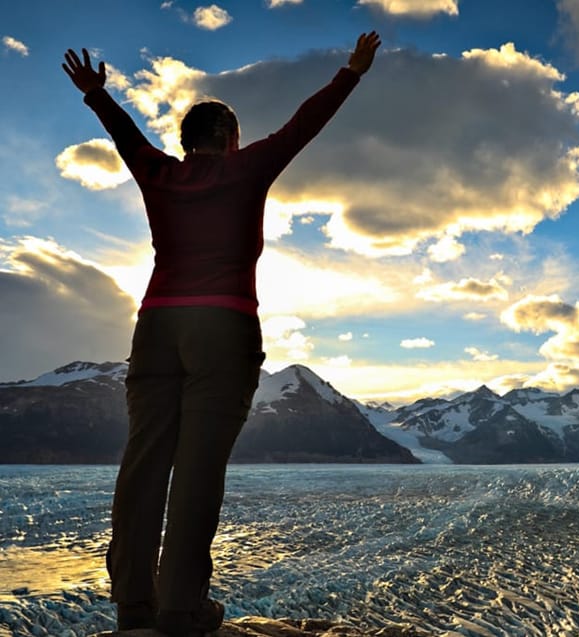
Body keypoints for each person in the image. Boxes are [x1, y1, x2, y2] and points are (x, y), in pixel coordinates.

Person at [62, 31, 381, 637]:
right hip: (223, 329)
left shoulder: (159, 173)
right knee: (198, 469)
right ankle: (181, 610)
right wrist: (351, 72)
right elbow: (300, 127)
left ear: (185, 143)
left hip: (156, 327)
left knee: (143, 463)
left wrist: (97, 96)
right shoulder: (245, 169)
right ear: (230, 140)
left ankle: (134, 605)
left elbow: (125, 138)